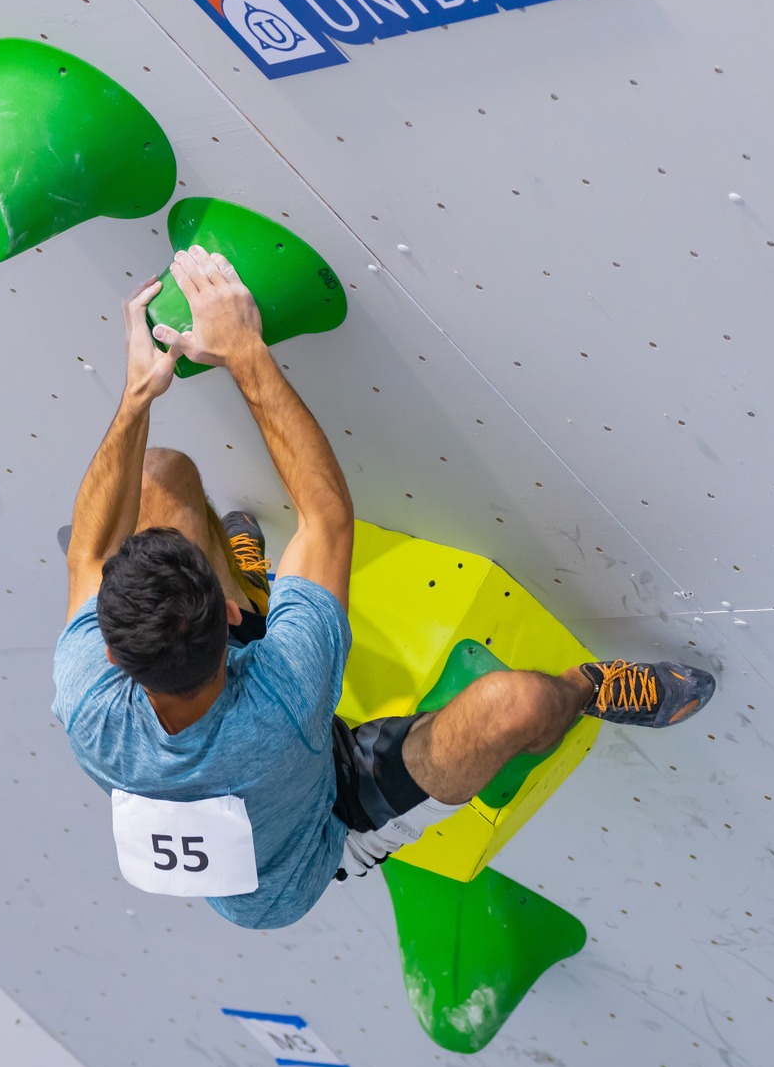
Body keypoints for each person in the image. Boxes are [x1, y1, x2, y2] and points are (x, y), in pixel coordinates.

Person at [52, 247, 717, 931]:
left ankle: (256, 582)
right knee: (516, 706)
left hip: (252, 758)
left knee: (157, 477)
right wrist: (241, 352)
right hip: (323, 827)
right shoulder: (288, 685)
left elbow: (88, 550)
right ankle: (587, 689)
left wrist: (139, 397)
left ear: (110, 652)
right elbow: (324, 517)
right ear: (223, 617)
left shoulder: (86, 705)